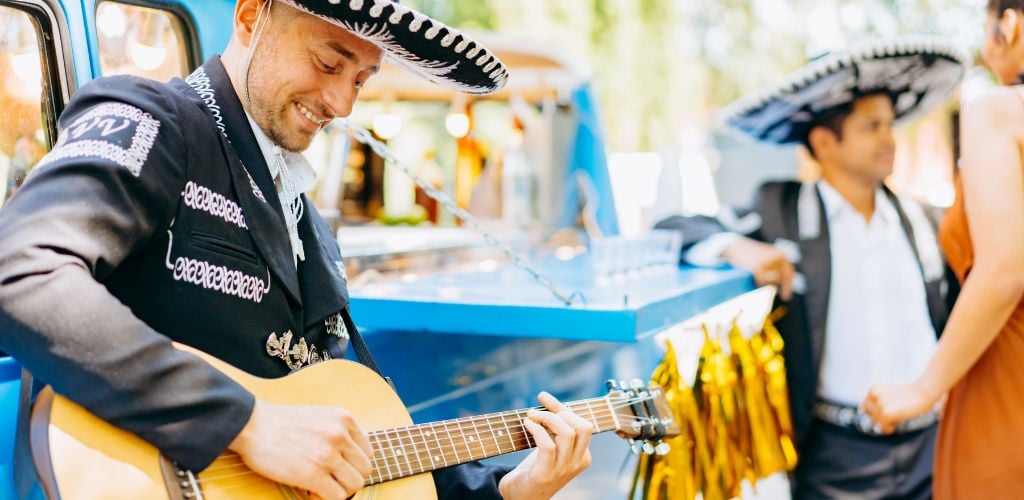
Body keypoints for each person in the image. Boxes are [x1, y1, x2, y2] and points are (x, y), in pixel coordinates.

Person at [0, 1, 594, 498]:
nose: (342, 104)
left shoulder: (305, 220)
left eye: (361, 78)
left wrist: (506, 490)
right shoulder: (156, 122)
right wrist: (245, 421)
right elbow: (21, 272)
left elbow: (350, 435)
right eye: (328, 62)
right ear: (252, 15)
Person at [656, 37, 966, 498]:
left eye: (889, 125)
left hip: (933, 446)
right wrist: (738, 248)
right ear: (824, 141)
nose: (889, 139)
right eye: (871, 127)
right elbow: (673, 226)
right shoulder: (779, 209)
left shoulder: (923, 219)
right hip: (834, 456)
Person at [863, 2, 1024, 495]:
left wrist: (924, 387)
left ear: (1008, 25)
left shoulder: (996, 110)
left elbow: (1003, 272)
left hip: (1008, 390)